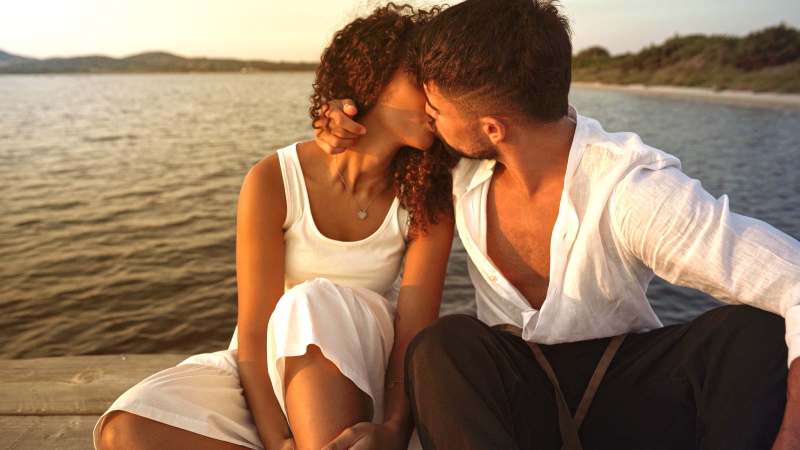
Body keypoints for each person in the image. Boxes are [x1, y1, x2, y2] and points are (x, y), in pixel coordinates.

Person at [315, 0, 800, 448]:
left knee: (751, 333)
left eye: (437, 110)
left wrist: (792, 433)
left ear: (492, 128)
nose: (429, 118)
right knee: (443, 345)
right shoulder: (465, 163)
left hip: (627, 394)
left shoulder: (632, 191)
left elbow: (794, 281)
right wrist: (342, 116)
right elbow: (386, 146)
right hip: (516, 399)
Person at [95, 4, 458, 450]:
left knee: (309, 299)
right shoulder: (274, 179)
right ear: (373, 80)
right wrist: (275, 438)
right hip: (269, 357)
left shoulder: (427, 195)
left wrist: (395, 430)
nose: (438, 94)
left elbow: (415, 331)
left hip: (368, 362)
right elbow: (253, 328)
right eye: (421, 79)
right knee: (128, 429)